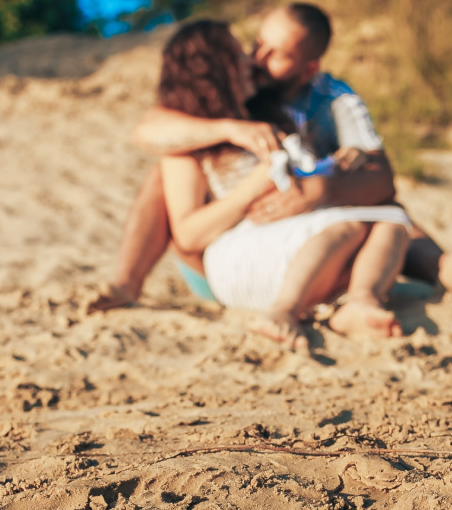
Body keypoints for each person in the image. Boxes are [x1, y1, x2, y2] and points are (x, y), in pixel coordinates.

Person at [89, 3, 452, 317]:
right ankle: (127, 283)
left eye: (273, 54)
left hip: (296, 227)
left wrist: (321, 188)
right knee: (164, 172)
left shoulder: (328, 99)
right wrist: (228, 130)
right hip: (223, 251)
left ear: (307, 68)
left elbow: (381, 178)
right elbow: (149, 130)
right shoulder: (224, 103)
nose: (254, 60)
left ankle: (443, 270)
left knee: (383, 210)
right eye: (254, 47)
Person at [140, 19, 416, 349]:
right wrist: (253, 186)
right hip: (240, 247)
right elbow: (188, 234)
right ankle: (284, 312)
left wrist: (337, 164)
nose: (250, 60)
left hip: (285, 234)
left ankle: (360, 302)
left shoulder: (265, 117)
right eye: (239, 53)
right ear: (216, 70)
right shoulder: (186, 146)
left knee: (393, 222)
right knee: (349, 228)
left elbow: (312, 176)